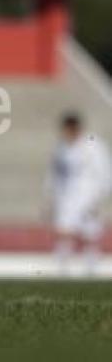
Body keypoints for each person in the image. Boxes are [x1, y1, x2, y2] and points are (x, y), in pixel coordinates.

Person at [47, 112, 112, 276]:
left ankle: (91, 265)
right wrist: (52, 194)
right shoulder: (61, 147)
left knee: (90, 230)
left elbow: (104, 169)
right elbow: (56, 173)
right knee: (64, 227)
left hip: (89, 193)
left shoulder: (92, 144)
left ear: (75, 128)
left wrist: (100, 195)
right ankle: (62, 265)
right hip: (68, 193)